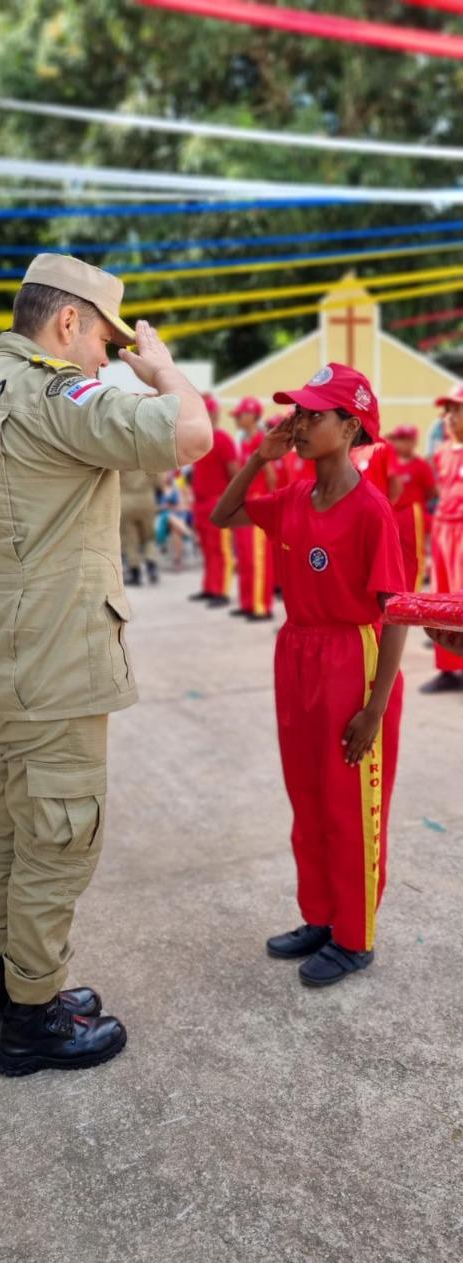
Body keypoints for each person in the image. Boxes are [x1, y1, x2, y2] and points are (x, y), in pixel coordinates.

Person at [0, 253, 212, 1075]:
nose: (104, 358)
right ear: (66, 323)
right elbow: (190, 433)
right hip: (52, 664)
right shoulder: (54, 393)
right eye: (101, 340)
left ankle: (12, 995)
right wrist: (164, 373)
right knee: (58, 840)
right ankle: (31, 1024)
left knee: (13, 834)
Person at [212, 362, 406, 988]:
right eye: (295, 413)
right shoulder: (295, 497)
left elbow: (395, 613)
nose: (297, 424)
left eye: (313, 415)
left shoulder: (371, 510)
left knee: (352, 804)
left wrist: (375, 707)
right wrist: (260, 458)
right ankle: (321, 917)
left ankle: (355, 936)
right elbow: (225, 513)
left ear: (350, 428)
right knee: (310, 796)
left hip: (353, 657)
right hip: (297, 654)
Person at [420, 384, 463, 694]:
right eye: (447, 410)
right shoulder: (442, 452)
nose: (448, 417)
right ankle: (448, 668)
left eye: (455, 410)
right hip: (443, 530)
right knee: (441, 599)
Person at [189, 394, 238, 607]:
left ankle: (222, 591)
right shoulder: (199, 441)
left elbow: (235, 474)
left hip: (216, 502)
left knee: (221, 549)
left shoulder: (223, 439)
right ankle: (210, 587)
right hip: (200, 503)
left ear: (214, 414)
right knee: (208, 548)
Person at [230, 395, 275, 621]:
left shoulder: (261, 441)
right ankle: (247, 603)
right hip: (245, 505)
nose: (237, 417)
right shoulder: (245, 442)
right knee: (246, 557)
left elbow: (271, 476)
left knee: (258, 558)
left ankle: (261, 606)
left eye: (241, 414)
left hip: (257, 505)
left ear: (252, 416)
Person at [386, 426, 435, 592]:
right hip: (392, 514)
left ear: (413, 442)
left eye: (403, 439)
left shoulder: (420, 465)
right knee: (392, 555)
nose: (398, 443)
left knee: (413, 556)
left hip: (412, 514)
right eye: (397, 439)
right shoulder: (388, 462)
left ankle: (412, 592)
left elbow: (431, 491)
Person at [120, 468, 162, 585]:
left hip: (125, 500)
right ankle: (151, 561)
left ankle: (135, 571)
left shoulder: (122, 456)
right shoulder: (148, 455)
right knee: (149, 536)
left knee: (129, 538)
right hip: (146, 499)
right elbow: (159, 480)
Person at [351, 434, 401, 503]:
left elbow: (395, 482)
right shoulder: (341, 452)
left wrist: (388, 507)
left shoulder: (382, 447)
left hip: (377, 506)